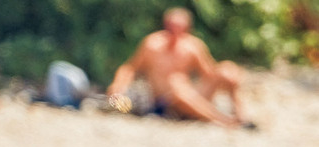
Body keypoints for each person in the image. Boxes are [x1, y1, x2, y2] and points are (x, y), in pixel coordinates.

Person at [106, 7, 250, 128]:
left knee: (227, 69)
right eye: (171, 28)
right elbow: (130, 68)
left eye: (179, 29)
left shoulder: (193, 46)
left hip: (189, 95)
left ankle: (240, 117)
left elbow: (209, 74)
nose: (174, 33)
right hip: (164, 103)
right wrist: (118, 86)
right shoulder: (152, 44)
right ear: (165, 26)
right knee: (177, 87)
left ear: (187, 29)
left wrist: (229, 74)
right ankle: (224, 120)